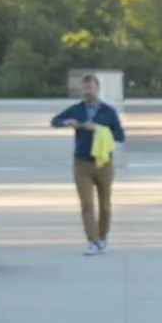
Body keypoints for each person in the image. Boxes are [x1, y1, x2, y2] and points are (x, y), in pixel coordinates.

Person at [49, 75, 125, 255]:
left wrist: (99, 128)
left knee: (105, 205)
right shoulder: (76, 109)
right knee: (87, 204)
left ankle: (103, 237)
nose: (87, 91)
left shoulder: (108, 111)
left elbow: (120, 136)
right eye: (84, 88)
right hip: (81, 163)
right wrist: (67, 122)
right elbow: (54, 121)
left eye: (90, 88)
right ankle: (93, 241)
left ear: (98, 89)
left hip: (103, 162)